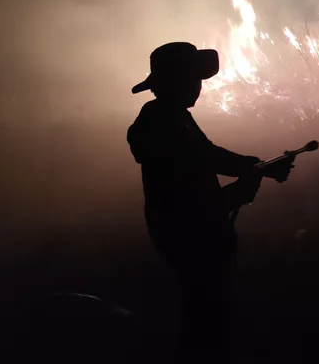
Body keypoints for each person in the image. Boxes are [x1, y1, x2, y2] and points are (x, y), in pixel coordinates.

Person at [126, 42, 294, 362]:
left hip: (190, 229)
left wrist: (253, 170)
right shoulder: (165, 122)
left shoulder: (170, 118)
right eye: (192, 79)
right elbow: (194, 180)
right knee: (205, 320)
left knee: (203, 311)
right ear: (176, 82)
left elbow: (204, 159)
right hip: (189, 235)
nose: (198, 87)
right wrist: (250, 175)